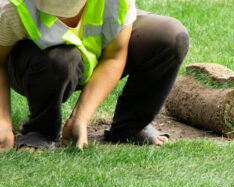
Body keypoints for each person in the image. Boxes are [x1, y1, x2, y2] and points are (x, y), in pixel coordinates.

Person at [0, 0, 189, 150]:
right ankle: (40, 130)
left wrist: (80, 117)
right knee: (63, 59)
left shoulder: (117, 3)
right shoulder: (12, 8)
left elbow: (115, 56)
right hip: (38, 66)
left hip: (93, 58)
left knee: (169, 34)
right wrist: (3, 123)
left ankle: (131, 126)